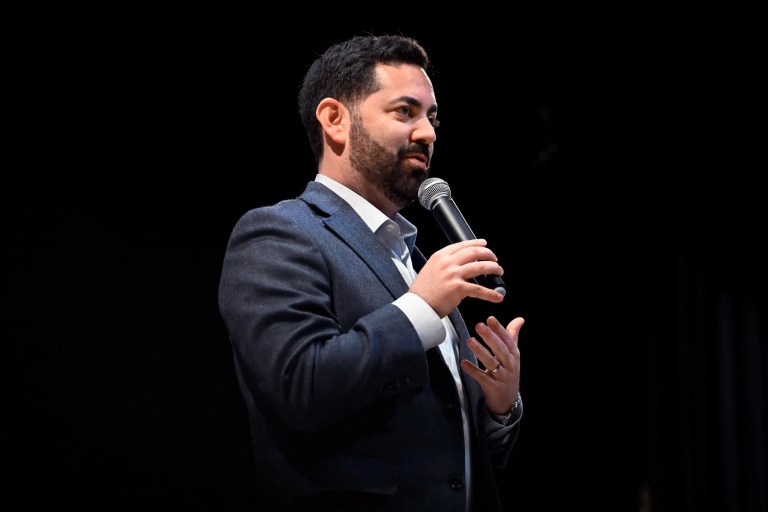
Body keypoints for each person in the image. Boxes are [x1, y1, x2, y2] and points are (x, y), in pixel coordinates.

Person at [218, 34, 525, 512]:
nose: (428, 133)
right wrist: (420, 308)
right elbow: (301, 387)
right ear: (335, 120)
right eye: (405, 112)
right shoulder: (279, 234)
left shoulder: (414, 260)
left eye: (432, 116)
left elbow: (450, 456)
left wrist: (498, 408)